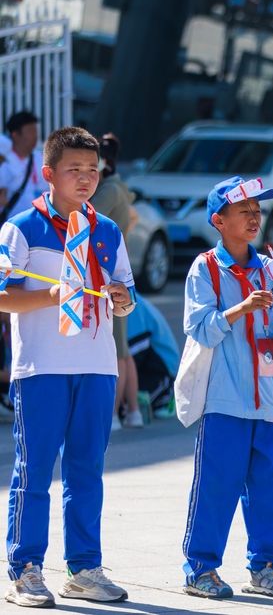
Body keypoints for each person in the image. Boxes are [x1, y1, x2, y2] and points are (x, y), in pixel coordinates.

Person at [0, 126, 136, 607]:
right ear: (49, 174)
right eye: (74, 170)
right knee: (34, 470)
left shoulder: (108, 230)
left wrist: (122, 299)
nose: (84, 179)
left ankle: (84, 568)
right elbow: (1, 295)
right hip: (41, 368)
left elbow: (126, 295)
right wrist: (49, 295)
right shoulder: (22, 228)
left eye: (92, 171)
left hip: (97, 368)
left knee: (87, 471)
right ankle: (25, 570)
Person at [180, 176, 273, 599]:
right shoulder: (205, 268)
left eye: (258, 210)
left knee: (272, 491)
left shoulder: (270, 268)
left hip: (271, 400)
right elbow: (200, 329)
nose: (255, 217)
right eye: (244, 211)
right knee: (217, 487)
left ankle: (265, 566)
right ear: (219, 220)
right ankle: (200, 569)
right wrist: (240, 307)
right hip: (225, 399)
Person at [91, 133, 143, 430]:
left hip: (109, 276)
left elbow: (80, 221)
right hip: (119, 274)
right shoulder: (119, 188)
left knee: (118, 350)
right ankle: (133, 411)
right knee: (123, 348)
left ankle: (113, 415)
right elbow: (133, 216)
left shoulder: (108, 191)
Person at [0, 111, 46, 224]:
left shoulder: (40, 157)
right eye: (30, 131)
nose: (35, 135)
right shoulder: (4, 162)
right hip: (13, 226)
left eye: (36, 130)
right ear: (15, 134)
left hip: (40, 224)